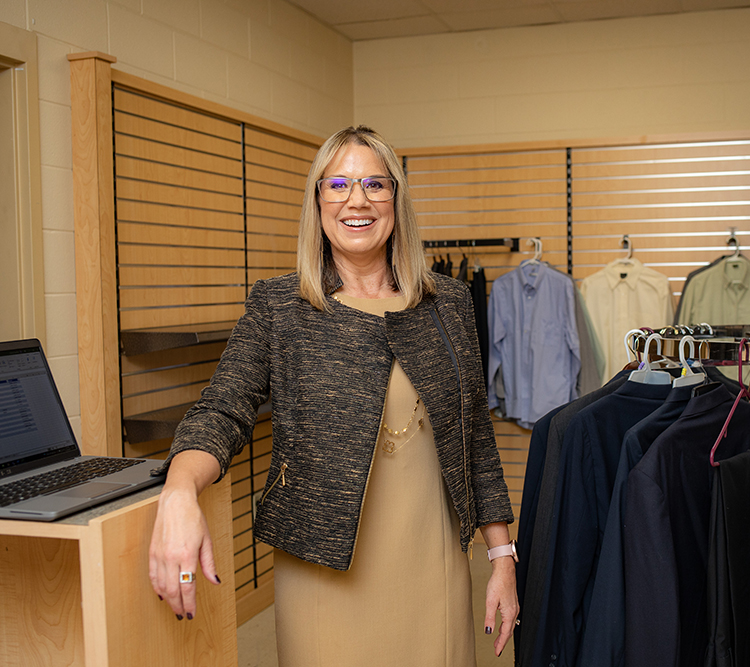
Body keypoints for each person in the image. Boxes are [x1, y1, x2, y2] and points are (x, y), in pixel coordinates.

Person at [148, 125, 519, 665]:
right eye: (338, 184)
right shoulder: (280, 306)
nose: (357, 199)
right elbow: (221, 410)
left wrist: (502, 557)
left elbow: (476, 441)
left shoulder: (449, 302)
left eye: (374, 183)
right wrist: (179, 491)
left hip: (432, 563)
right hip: (324, 570)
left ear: (395, 198)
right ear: (318, 201)